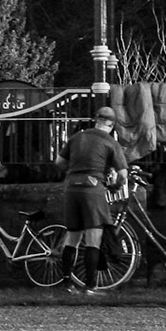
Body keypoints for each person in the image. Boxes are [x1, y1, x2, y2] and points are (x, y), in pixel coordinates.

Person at [60, 106, 129, 295]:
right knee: (93, 238)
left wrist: (74, 170)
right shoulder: (110, 142)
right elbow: (123, 174)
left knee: (72, 237)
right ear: (112, 124)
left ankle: (67, 283)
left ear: (95, 119)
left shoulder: (77, 137)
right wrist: (115, 184)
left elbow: (59, 162)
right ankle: (90, 286)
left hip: (71, 188)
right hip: (93, 189)